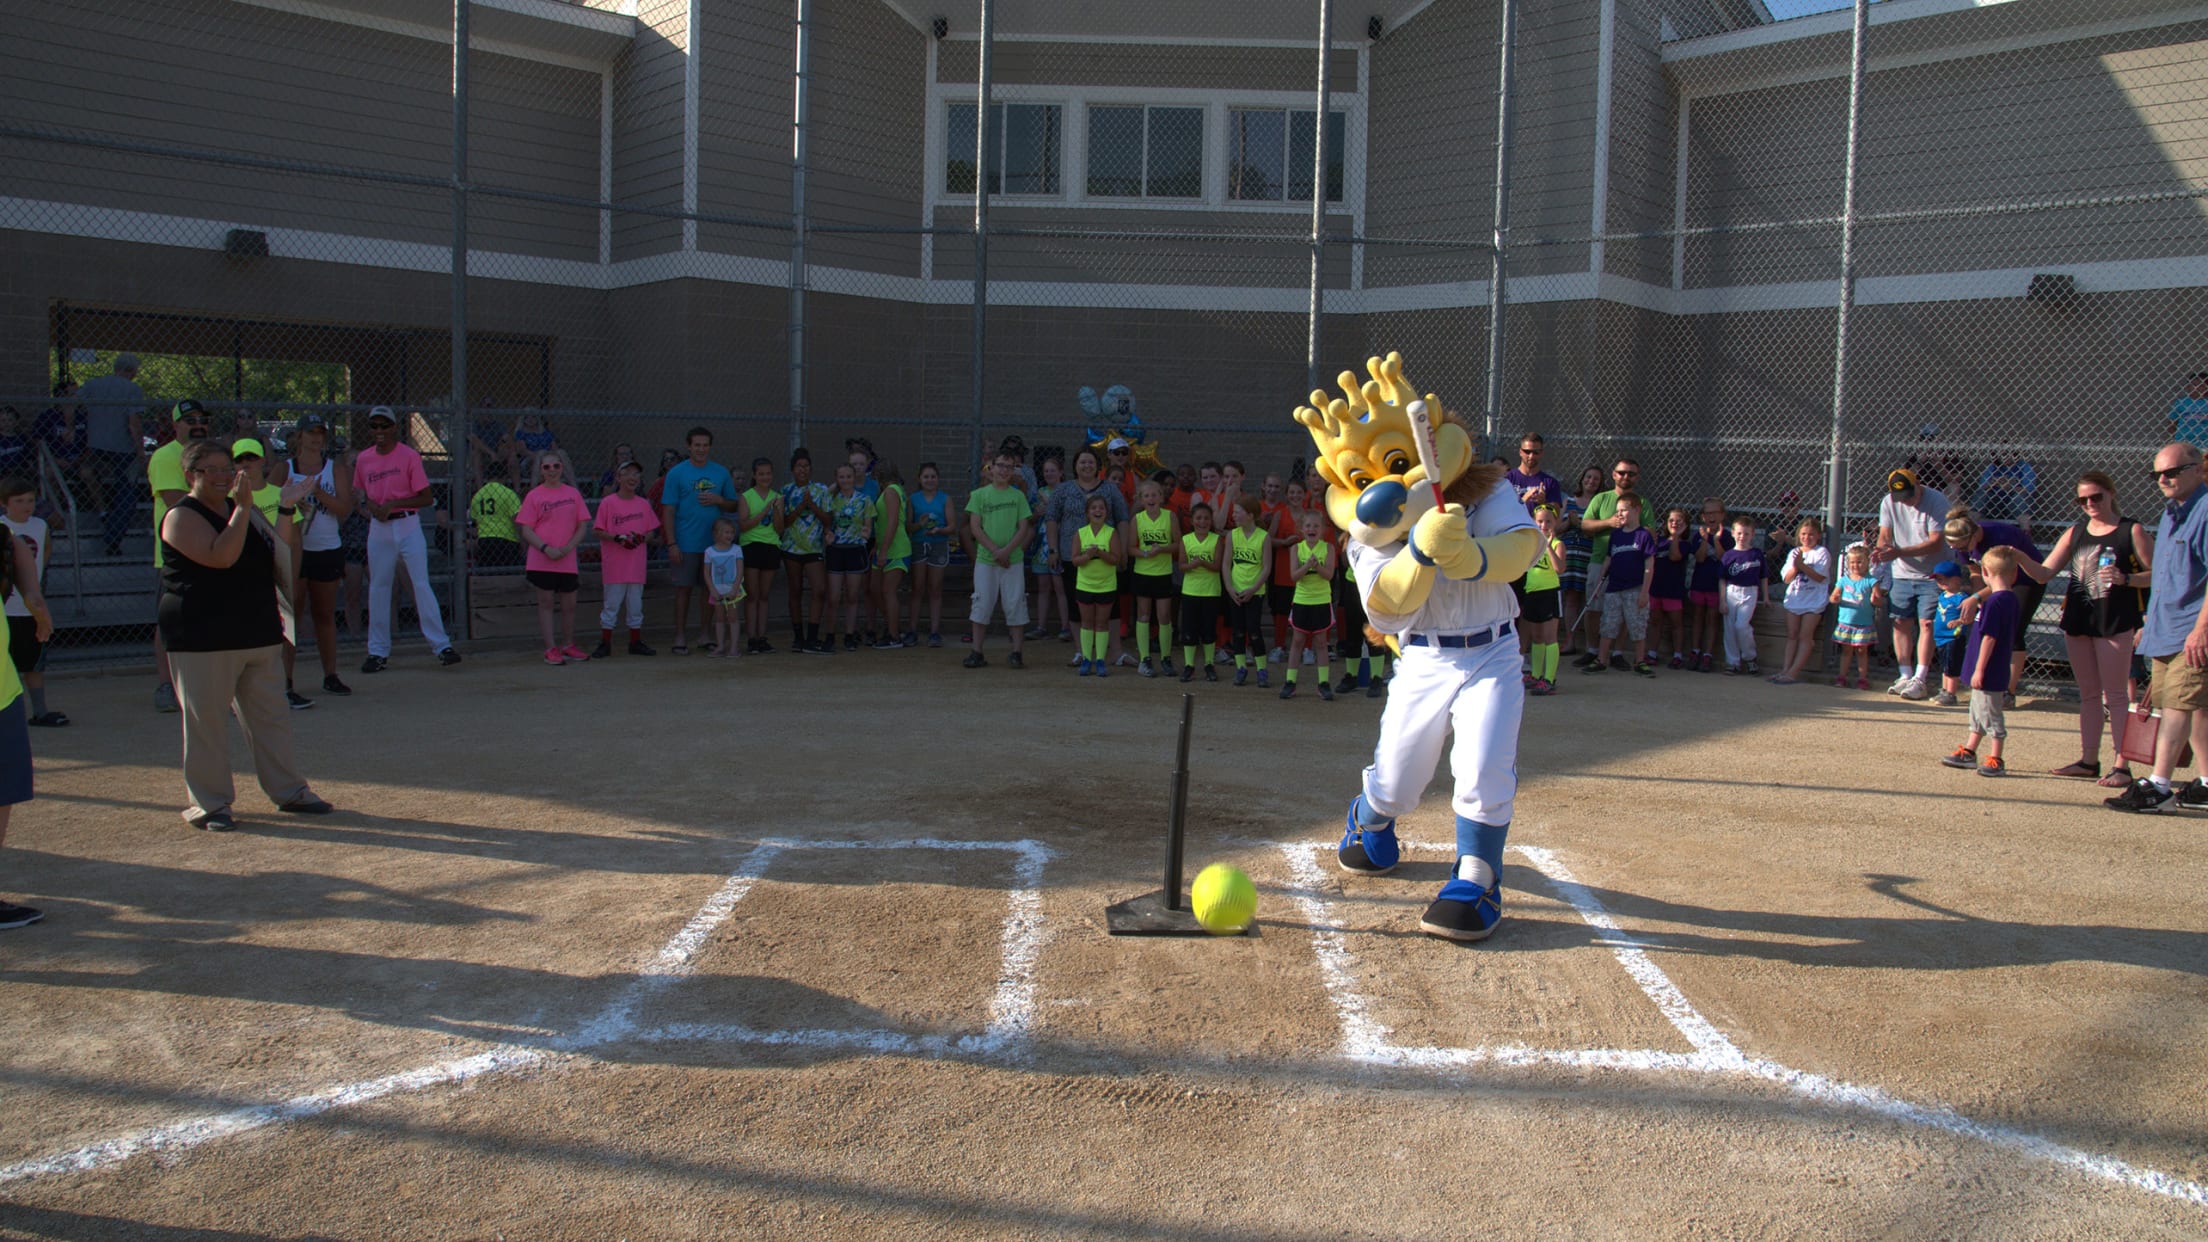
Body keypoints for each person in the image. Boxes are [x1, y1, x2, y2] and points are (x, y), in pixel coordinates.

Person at [157, 440, 332, 831]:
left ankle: (289, 791)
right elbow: (222, 555)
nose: (224, 477)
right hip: (203, 636)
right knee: (207, 724)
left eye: (227, 468)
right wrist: (243, 509)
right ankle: (210, 804)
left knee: (271, 718)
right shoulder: (180, 517)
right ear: (190, 476)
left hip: (256, 629)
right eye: (211, 470)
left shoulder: (243, 511)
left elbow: (278, 549)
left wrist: (285, 505)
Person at [2016, 471, 2153, 786]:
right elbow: (2044, 573)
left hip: (2115, 618)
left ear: (2110, 493)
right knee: (2089, 694)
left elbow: (2157, 573)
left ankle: (2122, 765)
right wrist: (2018, 555)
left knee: (2116, 695)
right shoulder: (2075, 532)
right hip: (2080, 617)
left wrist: (2127, 579)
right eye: (2083, 499)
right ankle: (2089, 760)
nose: (2090, 504)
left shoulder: (2131, 531)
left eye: (2096, 497)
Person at [2107, 444, 2208, 813]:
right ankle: (2207, 784)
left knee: (2180, 705)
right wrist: (2148, 625)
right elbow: (2166, 576)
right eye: (2157, 475)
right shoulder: (2171, 514)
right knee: (2195, 707)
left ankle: (2160, 785)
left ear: (2198, 469)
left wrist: (2201, 630)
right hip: (2166, 627)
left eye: (2172, 472)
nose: (2163, 479)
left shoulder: (2205, 510)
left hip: (2192, 630)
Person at [353, 407, 460, 673]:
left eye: (384, 425)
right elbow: (362, 495)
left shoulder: (408, 455)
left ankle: (441, 646)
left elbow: (425, 497)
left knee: (420, 583)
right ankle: (377, 652)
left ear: (394, 428)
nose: (379, 431)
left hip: (407, 523)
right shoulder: (364, 459)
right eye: (374, 426)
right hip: (379, 528)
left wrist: (394, 503)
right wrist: (371, 508)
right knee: (379, 586)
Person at [229, 438, 314, 709]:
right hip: (242, 579)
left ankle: (286, 687)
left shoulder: (281, 493)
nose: (246, 465)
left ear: (263, 460)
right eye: (240, 460)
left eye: (251, 458)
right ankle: (238, 694)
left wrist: (291, 578)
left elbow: (295, 541)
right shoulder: (228, 499)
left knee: (285, 632)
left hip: (277, 576)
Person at [148, 400, 217, 712]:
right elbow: (178, 501)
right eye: (190, 420)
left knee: (210, 619)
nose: (198, 424)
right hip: (174, 556)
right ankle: (166, 685)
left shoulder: (213, 456)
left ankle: (205, 687)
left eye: (202, 419)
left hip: (211, 551)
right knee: (169, 620)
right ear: (175, 425)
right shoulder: (165, 456)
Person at [0, 520, 51, 926]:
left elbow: (32, 591)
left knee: (2, 796)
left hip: (2, 690)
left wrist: (40, 613)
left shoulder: (7, 540)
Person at [1943, 507, 2045, 703]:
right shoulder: (1965, 546)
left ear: (1973, 534)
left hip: (2026, 580)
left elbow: (2005, 579)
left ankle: (2008, 692)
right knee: (1986, 629)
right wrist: (1979, 597)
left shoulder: (2001, 536)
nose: (1961, 551)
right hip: (1995, 582)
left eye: (1962, 547)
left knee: (2013, 632)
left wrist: (1977, 598)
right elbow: (1975, 571)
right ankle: (1986, 682)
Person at [286, 415, 355, 699]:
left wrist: (315, 491)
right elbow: (268, 501)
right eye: (310, 432)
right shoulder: (285, 468)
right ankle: (286, 681)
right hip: (294, 550)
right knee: (291, 616)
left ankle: (330, 674)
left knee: (324, 614)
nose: (316, 438)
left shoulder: (334, 469)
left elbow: (344, 508)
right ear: (299, 436)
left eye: (320, 433)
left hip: (326, 547)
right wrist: (292, 500)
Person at [1940, 546, 2023, 777]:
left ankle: (1996, 757)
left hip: (1989, 668)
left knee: (1990, 713)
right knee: (1977, 711)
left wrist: (1979, 669)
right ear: (2014, 573)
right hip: (1987, 667)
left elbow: (1990, 637)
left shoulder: (1996, 601)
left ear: (1984, 572)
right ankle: (1969, 750)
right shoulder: (2006, 600)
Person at [659, 428, 739, 656]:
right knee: (683, 589)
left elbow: (733, 504)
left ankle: (705, 634)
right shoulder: (676, 474)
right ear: (688, 446)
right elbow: (668, 510)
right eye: (697, 445)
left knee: (709, 592)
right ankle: (680, 636)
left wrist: (719, 500)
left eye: (705, 445)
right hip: (685, 542)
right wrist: (672, 543)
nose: (701, 449)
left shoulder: (721, 473)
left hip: (714, 547)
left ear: (710, 447)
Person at [1047, 448, 1130, 668]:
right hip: (1071, 555)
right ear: (1075, 466)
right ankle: (1081, 652)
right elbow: (1052, 519)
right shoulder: (1063, 490)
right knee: (1077, 605)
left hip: (1106, 557)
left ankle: (1115, 652)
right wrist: (1053, 549)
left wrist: (1121, 549)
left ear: (1098, 465)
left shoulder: (1111, 489)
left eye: (1091, 462)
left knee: (1110, 607)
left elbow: (1122, 519)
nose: (1086, 466)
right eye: (1082, 462)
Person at [1875, 467, 1951, 701]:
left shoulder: (1937, 500)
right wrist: (1880, 564)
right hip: (1902, 573)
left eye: (1910, 495)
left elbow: (1936, 543)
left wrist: (1899, 552)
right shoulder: (1889, 502)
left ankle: (1921, 677)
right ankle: (1905, 674)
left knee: (1927, 623)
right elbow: (1885, 536)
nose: (1906, 502)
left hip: (1933, 573)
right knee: (1900, 622)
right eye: (1902, 498)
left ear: (1917, 485)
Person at [515, 450, 590, 666]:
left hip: (566, 559)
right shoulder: (534, 495)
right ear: (540, 470)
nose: (552, 471)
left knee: (569, 604)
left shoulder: (573, 494)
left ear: (562, 468)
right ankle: (550, 648)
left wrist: (567, 548)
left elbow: (582, 525)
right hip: (542, 558)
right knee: (546, 603)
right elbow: (526, 529)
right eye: (546, 467)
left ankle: (568, 645)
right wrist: (545, 548)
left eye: (556, 466)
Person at [1571, 459, 1643, 667]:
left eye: (1631, 474)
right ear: (1614, 475)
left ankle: (1617, 653)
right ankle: (1592, 650)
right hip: (1599, 560)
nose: (1626, 477)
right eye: (1622, 473)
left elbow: (1650, 533)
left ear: (1636, 477)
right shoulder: (1601, 498)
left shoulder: (1641, 503)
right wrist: (1609, 523)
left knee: (1622, 612)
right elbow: (1585, 525)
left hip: (1628, 566)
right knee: (1593, 607)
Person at [964, 452, 1033, 669]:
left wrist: (1007, 551)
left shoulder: (1017, 497)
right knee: (982, 602)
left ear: (1013, 471)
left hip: (1012, 560)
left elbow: (1024, 527)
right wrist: (995, 551)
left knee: (1014, 602)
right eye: (1000, 466)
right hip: (987, 559)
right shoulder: (979, 495)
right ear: (991, 468)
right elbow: (975, 526)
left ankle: (1016, 652)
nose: (1004, 471)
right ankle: (977, 651)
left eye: (1009, 467)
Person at [77, 353, 149, 557]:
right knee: (126, 491)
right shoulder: (132, 389)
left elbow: (72, 403)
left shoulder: (92, 385)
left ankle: (103, 512)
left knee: (93, 474)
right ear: (132, 371)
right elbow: (133, 423)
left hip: (96, 446)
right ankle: (113, 538)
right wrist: (140, 451)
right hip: (123, 450)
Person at [2, 481, 61, 727]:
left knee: (34, 662)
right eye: (18, 501)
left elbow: (44, 553)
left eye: (30, 500)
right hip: (5, 610)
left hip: (29, 609)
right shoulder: (3, 528)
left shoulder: (40, 525)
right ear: (4, 504)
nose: (26, 506)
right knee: (8, 664)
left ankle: (39, 711)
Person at [591, 459, 659, 659]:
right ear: (618, 477)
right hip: (615, 565)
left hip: (636, 565)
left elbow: (651, 532)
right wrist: (617, 538)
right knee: (611, 604)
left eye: (636, 474)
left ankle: (635, 642)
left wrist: (640, 538)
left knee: (635, 605)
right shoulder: (608, 502)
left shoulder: (643, 504)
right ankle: (605, 643)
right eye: (627, 473)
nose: (632, 477)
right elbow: (598, 530)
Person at [1588, 494, 1655, 677]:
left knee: (1637, 626)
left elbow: (1649, 565)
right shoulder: (1616, 535)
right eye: (1618, 511)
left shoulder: (1643, 536)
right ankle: (1601, 660)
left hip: (1634, 588)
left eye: (1624, 510)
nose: (1620, 514)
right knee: (1608, 624)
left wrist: (1644, 592)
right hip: (1614, 589)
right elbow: (1608, 560)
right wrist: (1599, 585)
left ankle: (1639, 661)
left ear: (1637, 510)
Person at [779, 447, 833, 654]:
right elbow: (784, 521)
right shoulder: (786, 491)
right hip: (792, 547)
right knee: (795, 590)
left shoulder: (820, 490)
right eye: (799, 467)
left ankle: (812, 636)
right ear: (793, 469)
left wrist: (813, 505)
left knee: (819, 589)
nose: (803, 470)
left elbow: (828, 519)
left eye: (806, 466)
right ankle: (798, 637)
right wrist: (802, 506)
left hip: (813, 547)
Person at [1282, 509, 1337, 701]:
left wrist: (1317, 566)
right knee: (1297, 641)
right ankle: (1290, 682)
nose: (1312, 529)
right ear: (1301, 529)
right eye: (1308, 526)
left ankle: (1323, 684)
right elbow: (1294, 576)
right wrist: (1307, 566)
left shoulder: (1328, 548)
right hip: (1302, 600)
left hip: (1321, 600)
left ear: (1322, 529)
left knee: (1321, 643)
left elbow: (1329, 575)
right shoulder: (1296, 549)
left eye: (1316, 526)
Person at [1126, 479, 1179, 678]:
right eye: (1146, 496)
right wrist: (1146, 553)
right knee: (1144, 615)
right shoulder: (1137, 520)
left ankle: (1166, 658)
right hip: (1143, 573)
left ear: (1161, 497)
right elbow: (1131, 548)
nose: (1151, 498)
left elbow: (1178, 543)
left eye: (1155, 495)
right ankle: (1145, 659)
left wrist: (1162, 549)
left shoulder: (1170, 516)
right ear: (1140, 499)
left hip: (1163, 573)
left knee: (1164, 616)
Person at [1772, 517, 1831, 685]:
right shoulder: (1794, 552)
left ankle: (1793, 672)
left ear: (1818, 535)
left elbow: (1820, 577)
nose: (1807, 538)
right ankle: (1785, 669)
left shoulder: (1822, 553)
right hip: (1796, 598)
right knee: (1792, 635)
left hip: (1813, 600)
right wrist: (1796, 566)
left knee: (1806, 636)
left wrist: (1802, 566)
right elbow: (1787, 578)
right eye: (1804, 534)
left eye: (1811, 534)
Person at [824, 463, 875, 653]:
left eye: (849, 477)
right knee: (834, 596)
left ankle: (849, 634)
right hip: (836, 549)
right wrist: (828, 534)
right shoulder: (832, 499)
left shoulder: (864, 500)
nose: (845, 480)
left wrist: (866, 533)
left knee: (852, 596)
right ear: (837, 479)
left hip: (855, 549)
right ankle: (829, 635)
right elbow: (826, 519)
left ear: (855, 478)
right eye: (841, 477)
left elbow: (868, 524)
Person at [736, 457, 784, 654]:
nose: (765, 477)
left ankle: (762, 637)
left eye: (768, 473)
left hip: (771, 545)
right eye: (761, 473)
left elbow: (780, 528)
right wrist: (764, 512)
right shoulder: (746, 497)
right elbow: (743, 525)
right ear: (755, 475)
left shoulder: (778, 497)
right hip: (751, 545)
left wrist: (777, 512)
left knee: (764, 595)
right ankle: (751, 638)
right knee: (752, 595)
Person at [1069, 492, 1120, 678]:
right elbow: (1075, 560)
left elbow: (1116, 559)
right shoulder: (1080, 533)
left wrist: (1099, 552)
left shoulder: (1111, 532)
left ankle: (1099, 660)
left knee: (1101, 623)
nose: (1097, 511)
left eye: (1101, 508)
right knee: (1087, 622)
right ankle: (1086, 659)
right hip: (1085, 584)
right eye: (1093, 508)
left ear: (1106, 512)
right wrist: (1088, 556)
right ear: (1087, 513)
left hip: (1106, 585)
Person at [1517, 503, 1565, 695]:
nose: (1543, 525)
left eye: (1548, 522)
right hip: (1532, 592)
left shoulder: (1557, 544)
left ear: (1555, 523)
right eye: (1540, 522)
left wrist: (1548, 546)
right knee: (1536, 637)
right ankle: (1536, 675)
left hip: (1549, 593)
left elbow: (1560, 568)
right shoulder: (1531, 544)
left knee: (1549, 637)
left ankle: (1549, 678)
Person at [907, 463, 956, 648]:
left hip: (938, 545)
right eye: (926, 477)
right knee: (917, 588)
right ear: (919, 479)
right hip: (919, 544)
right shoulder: (913, 499)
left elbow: (952, 526)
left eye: (933, 476)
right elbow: (908, 527)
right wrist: (920, 525)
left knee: (935, 589)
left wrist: (940, 530)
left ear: (938, 478)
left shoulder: (945, 499)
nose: (930, 480)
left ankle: (934, 632)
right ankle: (912, 630)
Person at [1225, 499, 1271, 687]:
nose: (1234, 515)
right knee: (1237, 631)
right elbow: (1226, 565)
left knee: (1254, 631)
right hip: (1235, 591)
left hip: (1255, 592)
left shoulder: (1263, 537)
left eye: (1238, 512)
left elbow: (1266, 567)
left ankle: (1261, 669)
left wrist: (1253, 589)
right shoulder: (1232, 535)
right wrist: (1229, 588)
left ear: (1250, 515)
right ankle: (1241, 668)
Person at [1176, 501, 1223, 684]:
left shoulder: (1216, 540)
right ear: (1192, 520)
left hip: (1211, 591)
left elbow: (1217, 566)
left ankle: (1209, 664)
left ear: (1211, 521)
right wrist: (1192, 565)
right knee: (1190, 629)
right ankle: (1189, 666)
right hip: (1190, 591)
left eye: (1206, 518)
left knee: (1209, 629)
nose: (1202, 522)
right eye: (1198, 518)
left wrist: (1202, 563)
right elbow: (1181, 566)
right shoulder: (1186, 540)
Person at [1025, 454, 1069, 645]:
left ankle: (1066, 627)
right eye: (1046, 471)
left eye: (1053, 470)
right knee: (1043, 588)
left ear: (1060, 472)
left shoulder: (1067, 491)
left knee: (1061, 588)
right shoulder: (1039, 493)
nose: (1049, 473)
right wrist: (1036, 513)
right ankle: (1041, 627)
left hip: (1059, 544)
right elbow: (1030, 519)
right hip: (1041, 546)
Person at [1559, 464, 1602, 657]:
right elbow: (1557, 528)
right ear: (1582, 479)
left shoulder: (1600, 503)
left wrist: (1582, 525)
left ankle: (1591, 645)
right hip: (1570, 555)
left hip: (1589, 555)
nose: (1591, 481)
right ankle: (1570, 641)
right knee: (1571, 599)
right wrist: (1570, 522)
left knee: (1589, 599)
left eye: (1595, 479)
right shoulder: (1569, 501)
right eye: (1588, 477)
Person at [1829, 544, 1882, 691]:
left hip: (1863, 623)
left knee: (1861, 651)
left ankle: (1862, 679)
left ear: (1867, 563)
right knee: (1846, 651)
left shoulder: (1871, 581)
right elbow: (1832, 598)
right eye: (1852, 562)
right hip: (1846, 622)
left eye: (1859, 562)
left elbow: (1879, 601)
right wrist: (1836, 597)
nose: (1856, 565)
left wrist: (1875, 599)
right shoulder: (1843, 580)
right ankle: (1841, 677)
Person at [1687, 497, 1730, 673]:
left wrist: (1717, 540)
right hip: (1700, 582)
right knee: (1697, 617)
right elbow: (1699, 557)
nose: (1711, 516)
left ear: (1722, 515)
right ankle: (1695, 651)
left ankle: (1708, 655)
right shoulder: (1699, 534)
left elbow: (1723, 558)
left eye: (1715, 513)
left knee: (1712, 618)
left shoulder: (1727, 536)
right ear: (1703, 516)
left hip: (1716, 584)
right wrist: (1705, 539)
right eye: (1707, 513)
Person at [871, 461, 911, 650]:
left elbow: (893, 521)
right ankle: (892, 626)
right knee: (876, 588)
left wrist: (885, 549)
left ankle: (894, 635)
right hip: (885, 547)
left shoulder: (891, 491)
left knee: (888, 591)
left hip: (895, 548)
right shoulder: (896, 490)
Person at [1719, 517, 1766, 675]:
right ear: (1733, 533)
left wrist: (1765, 597)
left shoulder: (1756, 554)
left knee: (1741, 626)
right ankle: (1732, 662)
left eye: (1746, 533)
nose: (1742, 537)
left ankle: (1750, 657)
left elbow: (1764, 576)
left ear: (1752, 535)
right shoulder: (1728, 555)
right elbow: (1722, 579)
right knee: (1730, 628)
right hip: (1732, 591)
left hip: (1750, 592)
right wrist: (1722, 600)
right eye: (1739, 533)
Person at [1648, 507, 1693, 668]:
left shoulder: (1685, 544)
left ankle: (1678, 655)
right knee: (1655, 621)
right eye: (1671, 520)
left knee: (1676, 623)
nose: (1674, 523)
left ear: (1686, 525)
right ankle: (1652, 653)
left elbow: (1675, 556)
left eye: (1679, 521)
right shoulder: (1659, 541)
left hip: (1673, 590)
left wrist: (1675, 537)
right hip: (1656, 588)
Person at [703, 518, 746, 659]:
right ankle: (720, 646)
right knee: (720, 618)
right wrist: (712, 590)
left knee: (733, 618)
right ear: (716, 534)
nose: (730, 535)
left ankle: (734, 647)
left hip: (733, 591)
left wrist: (734, 589)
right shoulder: (709, 552)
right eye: (726, 532)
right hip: (717, 591)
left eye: (732, 532)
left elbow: (740, 571)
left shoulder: (736, 550)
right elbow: (707, 573)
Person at [1931, 561, 1971, 708]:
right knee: (1945, 665)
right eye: (1938, 579)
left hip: (1954, 637)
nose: (1940, 582)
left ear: (1956, 579)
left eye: (1944, 579)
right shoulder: (1942, 596)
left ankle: (1951, 693)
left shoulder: (1961, 597)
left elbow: (1970, 616)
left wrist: (1959, 621)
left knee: (1952, 666)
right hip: (1941, 636)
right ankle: (1945, 690)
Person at [468, 460, 523, 568]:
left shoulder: (478, 495)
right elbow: (517, 521)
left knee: (488, 573)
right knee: (508, 574)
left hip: (485, 539)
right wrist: (522, 542)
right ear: (503, 477)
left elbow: (477, 522)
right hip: (507, 540)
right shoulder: (508, 493)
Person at [1505, 433, 1563, 513]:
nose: (1531, 456)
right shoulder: (1507, 479)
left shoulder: (1550, 482)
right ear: (1520, 452)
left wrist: (1544, 503)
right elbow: (1501, 510)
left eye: (1536, 452)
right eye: (1527, 452)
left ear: (1542, 453)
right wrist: (1523, 500)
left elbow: (1556, 513)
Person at [2165, 372, 2208, 445]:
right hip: (2184, 441)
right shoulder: (2181, 402)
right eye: (2194, 385)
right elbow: (2172, 422)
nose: (2197, 388)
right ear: (2187, 387)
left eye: (2201, 386)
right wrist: (2175, 437)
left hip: (2205, 442)